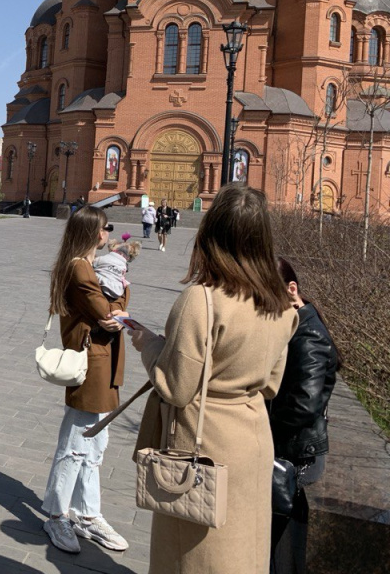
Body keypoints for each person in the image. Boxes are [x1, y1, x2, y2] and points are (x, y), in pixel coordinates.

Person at [130, 184, 298, 574]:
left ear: (211, 234)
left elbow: (177, 385)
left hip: (203, 448)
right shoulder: (278, 301)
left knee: (193, 556)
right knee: (242, 552)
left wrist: (149, 344)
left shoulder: (203, 300)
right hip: (253, 441)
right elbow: (272, 383)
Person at [41, 206, 130, 555]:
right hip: (91, 361)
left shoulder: (88, 266)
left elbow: (115, 316)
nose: (109, 233)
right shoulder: (79, 267)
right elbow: (110, 313)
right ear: (96, 232)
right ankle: (56, 513)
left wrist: (118, 304)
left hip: (103, 362)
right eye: (107, 227)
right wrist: (124, 287)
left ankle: (87, 513)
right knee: (77, 440)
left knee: (95, 443)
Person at [269, 258, 339, 574]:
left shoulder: (310, 335)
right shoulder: (295, 325)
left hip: (298, 457)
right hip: (291, 450)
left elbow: (304, 404)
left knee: (284, 550)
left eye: (267, 298)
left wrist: (261, 427)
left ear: (291, 290)